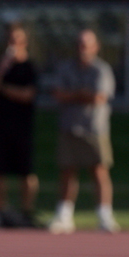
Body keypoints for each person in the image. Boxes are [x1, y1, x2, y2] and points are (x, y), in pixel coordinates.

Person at [49, 29, 119, 234]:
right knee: (67, 170)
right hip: (69, 125)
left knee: (99, 170)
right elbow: (58, 94)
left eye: (87, 44)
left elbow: (99, 97)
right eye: (79, 44)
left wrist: (73, 95)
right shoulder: (66, 68)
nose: (82, 48)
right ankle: (64, 214)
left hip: (94, 128)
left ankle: (104, 215)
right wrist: (81, 95)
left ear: (95, 47)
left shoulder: (101, 70)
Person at [0, 22, 40, 228]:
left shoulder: (30, 66)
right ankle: (0, 212)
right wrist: (2, 69)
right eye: (10, 40)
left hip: (22, 125)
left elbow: (27, 95)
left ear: (24, 42)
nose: (13, 44)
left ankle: (26, 212)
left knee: (26, 171)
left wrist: (4, 89)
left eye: (17, 40)